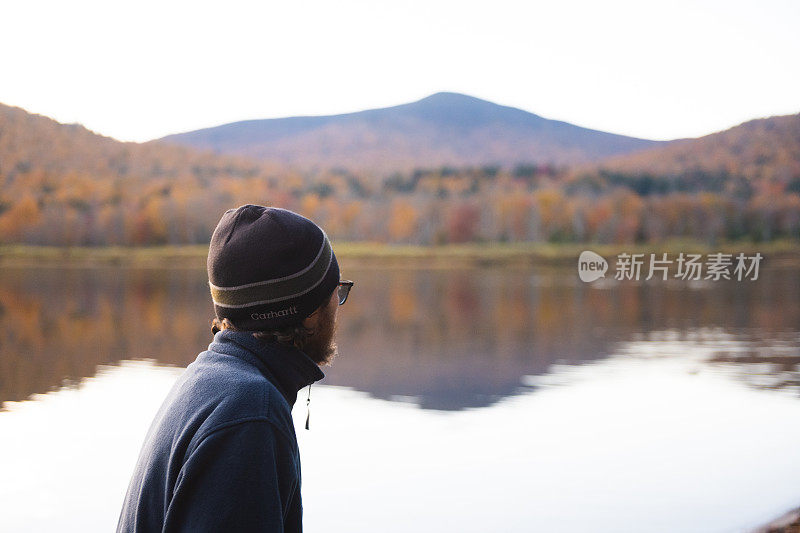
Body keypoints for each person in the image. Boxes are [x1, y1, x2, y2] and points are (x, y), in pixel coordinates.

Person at [117, 205, 352, 533]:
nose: (338, 307)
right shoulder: (251, 413)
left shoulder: (207, 380)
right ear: (310, 312)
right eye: (336, 292)